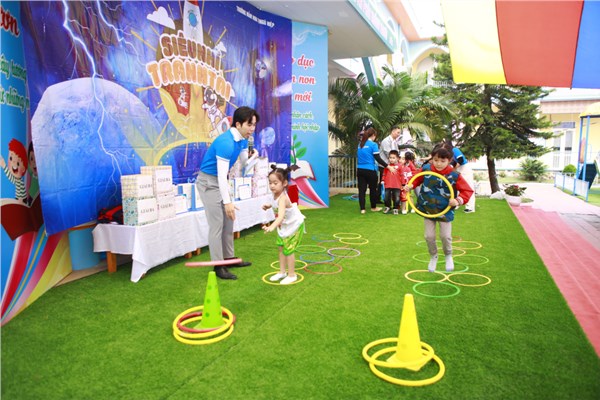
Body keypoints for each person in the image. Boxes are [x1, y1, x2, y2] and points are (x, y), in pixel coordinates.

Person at [197, 106, 259, 280]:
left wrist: (255, 156)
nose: (252, 129)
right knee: (217, 224)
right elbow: (220, 176)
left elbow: (245, 165)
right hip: (209, 183)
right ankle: (218, 266)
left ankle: (229, 258)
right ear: (238, 124)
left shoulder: (243, 140)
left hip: (221, 181)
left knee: (229, 222)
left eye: (254, 124)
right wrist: (227, 202)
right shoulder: (226, 143)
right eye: (249, 125)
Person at [405, 146, 473, 272]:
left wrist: (457, 200)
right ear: (432, 158)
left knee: (445, 236)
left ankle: (448, 255)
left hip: (445, 210)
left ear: (449, 160)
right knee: (429, 236)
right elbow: (416, 179)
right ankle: (433, 256)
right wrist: (410, 185)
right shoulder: (426, 169)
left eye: (442, 161)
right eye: (436, 160)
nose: (439, 164)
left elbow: (467, 191)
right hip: (428, 209)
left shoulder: (454, 175)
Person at [262, 166, 306, 285]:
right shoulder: (275, 195)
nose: (272, 186)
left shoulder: (283, 198)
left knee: (289, 249)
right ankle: (282, 272)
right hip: (285, 226)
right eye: (270, 183)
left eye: (275, 183)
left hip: (294, 225)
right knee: (281, 247)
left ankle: (292, 275)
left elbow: (280, 216)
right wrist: (268, 205)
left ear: (284, 183)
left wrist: (271, 226)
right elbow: (274, 203)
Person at [357, 127, 394, 214]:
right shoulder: (373, 145)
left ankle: (362, 209)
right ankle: (373, 207)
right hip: (370, 170)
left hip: (360, 170)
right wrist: (388, 166)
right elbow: (378, 158)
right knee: (373, 189)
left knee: (361, 190)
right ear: (373, 135)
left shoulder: (360, 144)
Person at [452, 147, 476, 213]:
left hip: (464, 168)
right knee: (457, 187)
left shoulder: (454, 149)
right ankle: (456, 204)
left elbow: (461, 159)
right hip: (458, 169)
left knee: (468, 187)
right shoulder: (446, 153)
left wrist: (454, 168)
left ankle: (470, 207)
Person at [381, 150, 403, 215]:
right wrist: (382, 180)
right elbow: (384, 174)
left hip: (397, 185)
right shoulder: (387, 166)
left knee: (396, 197)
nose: (391, 159)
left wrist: (403, 184)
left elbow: (402, 175)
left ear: (397, 158)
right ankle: (388, 207)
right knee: (386, 197)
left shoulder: (400, 166)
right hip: (387, 185)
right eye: (390, 158)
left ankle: (395, 208)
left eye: (393, 158)